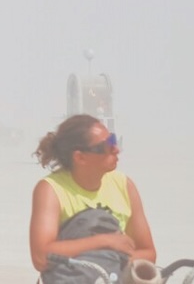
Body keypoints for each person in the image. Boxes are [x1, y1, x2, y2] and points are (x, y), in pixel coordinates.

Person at [28, 115, 156, 277]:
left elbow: (148, 252)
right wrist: (104, 241)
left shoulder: (124, 185)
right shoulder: (51, 190)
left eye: (113, 140)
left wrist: (109, 263)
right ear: (80, 157)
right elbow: (41, 257)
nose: (115, 149)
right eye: (106, 145)